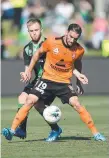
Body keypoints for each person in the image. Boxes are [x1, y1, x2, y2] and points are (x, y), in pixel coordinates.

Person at [2, 23, 106, 142]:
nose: (72, 40)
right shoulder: (52, 42)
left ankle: (96, 133)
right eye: (71, 37)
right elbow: (37, 54)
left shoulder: (79, 50)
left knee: (76, 104)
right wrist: (29, 71)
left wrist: (78, 82)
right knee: (30, 100)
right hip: (46, 79)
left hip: (64, 83)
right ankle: (12, 130)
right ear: (67, 32)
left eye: (75, 38)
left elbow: (77, 63)